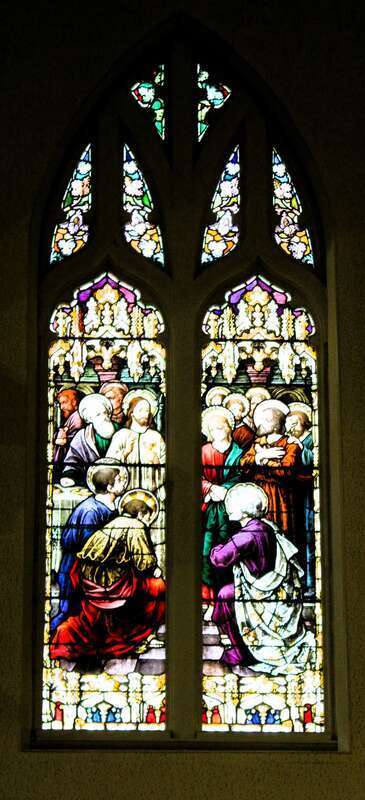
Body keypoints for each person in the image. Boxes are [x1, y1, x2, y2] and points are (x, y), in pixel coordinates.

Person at [50, 489, 165, 665]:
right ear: (141, 513)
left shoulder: (112, 523)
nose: (149, 522)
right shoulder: (135, 526)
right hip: (112, 587)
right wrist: (155, 569)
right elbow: (144, 563)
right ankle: (135, 637)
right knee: (158, 587)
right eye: (148, 518)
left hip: (91, 584)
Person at [211, 483, 314, 673]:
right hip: (272, 590)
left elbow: (220, 559)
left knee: (224, 597)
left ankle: (240, 652)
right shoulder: (266, 527)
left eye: (231, 505)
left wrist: (215, 548)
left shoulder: (247, 536)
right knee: (226, 595)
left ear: (243, 510)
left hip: (262, 596)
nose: (228, 508)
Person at [50, 460, 129, 632]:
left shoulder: (109, 506)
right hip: (77, 569)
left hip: (97, 568)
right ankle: (53, 633)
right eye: (121, 479)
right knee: (70, 614)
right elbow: (90, 549)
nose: (125, 482)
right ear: (109, 486)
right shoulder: (91, 511)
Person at [240, 399, 301, 540]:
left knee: (281, 531)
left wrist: (264, 460)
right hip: (258, 493)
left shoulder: (290, 444)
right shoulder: (258, 443)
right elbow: (243, 464)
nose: (260, 424)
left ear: (276, 425)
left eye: (266, 420)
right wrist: (258, 457)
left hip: (280, 495)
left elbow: (286, 470)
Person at [201, 406, 243, 596]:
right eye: (213, 428)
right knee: (206, 546)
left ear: (230, 428)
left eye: (221, 426)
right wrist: (209, 488)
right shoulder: (203, 451)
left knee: (230, 545)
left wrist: (225, 490)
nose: (218, 430)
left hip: (231, 507)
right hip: (207, 507)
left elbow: (242, 477)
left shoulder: (239, 453)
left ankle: (227, 591)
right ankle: (208, 593)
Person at [106, 389, 165, 493]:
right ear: (131, 413)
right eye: (141, 410)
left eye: (147, 410)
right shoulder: (121, 435)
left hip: (152, 491)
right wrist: (125, 453)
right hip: (125, 491)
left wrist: (156, 460)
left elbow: (167, 465)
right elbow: (108, 464)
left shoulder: (156, 437)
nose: (145, 414)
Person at [286, 402, 315, 595]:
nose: (292, 427)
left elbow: (312, 460)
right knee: (295, 538)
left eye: (295, 423)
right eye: (289, 423)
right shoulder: (289, 440)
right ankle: (297, 581)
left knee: (310, 536)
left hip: (310, 497)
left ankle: (310, 583)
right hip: (293, 495)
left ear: (304, 423)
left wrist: (299, 448)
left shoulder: (312, 439)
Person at [61, 394, 119, 486]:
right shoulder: (82, 436)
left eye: (105, 412)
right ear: (90, 419)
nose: (104, 417)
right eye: (98, 414)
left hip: (118, 481)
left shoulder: (121, 431)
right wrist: (70, 475)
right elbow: (72, 459)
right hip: (87, 482)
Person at [53, 388, 83, 477]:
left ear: (74, 402)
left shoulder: (77, 417)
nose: (61, 407)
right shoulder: (71, 417)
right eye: (60, 404)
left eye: (64, 402)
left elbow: (73, 440)